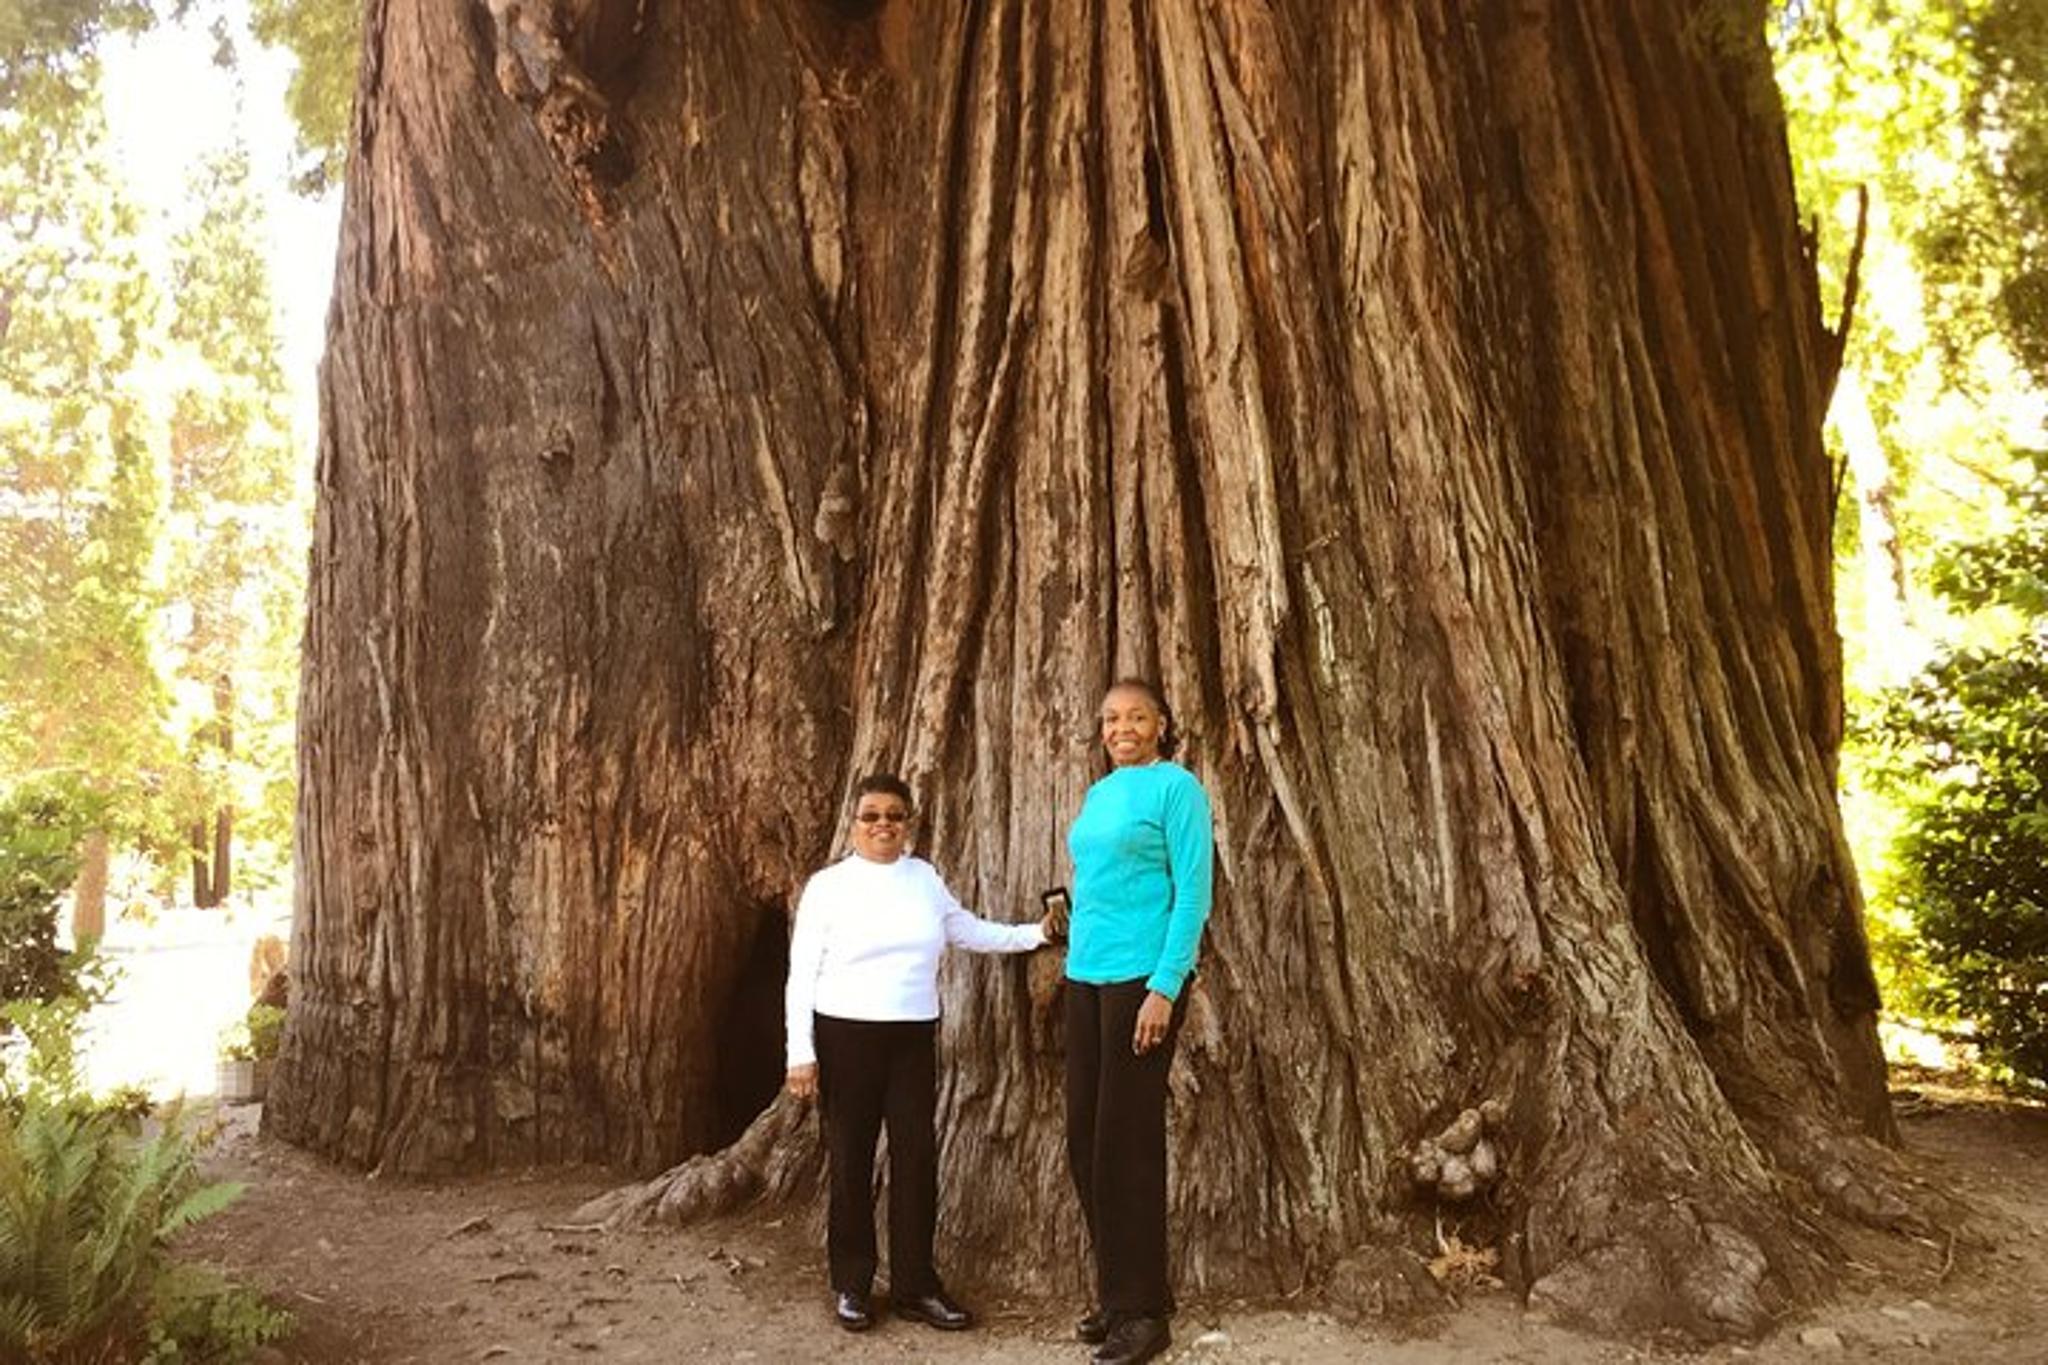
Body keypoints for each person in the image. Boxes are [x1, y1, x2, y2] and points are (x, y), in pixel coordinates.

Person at [784, 773, 1054, 1334]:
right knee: (852, 1159)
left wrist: (1036, 935)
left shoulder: (924, 879)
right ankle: (852, 1285)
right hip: (845, 1034)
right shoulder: (828, 886)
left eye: (894, 816)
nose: (883, 825)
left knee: (916, 1161)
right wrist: (799, 1054)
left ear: (909, 823)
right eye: (871, 815)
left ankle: (915, 1285)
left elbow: (968, 930)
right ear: (854, 823)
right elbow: (800, 975)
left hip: (912, 1036)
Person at [1063, 678, 1215, 1365]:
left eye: (1136, 716)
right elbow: (1098, 882)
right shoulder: (1099, 794)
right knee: (1084, 1138)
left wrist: (1165, 985)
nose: (1122, 727)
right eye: (1111, 718)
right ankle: (1121, 1286)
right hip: (1086, 976)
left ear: (1161, 723)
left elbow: (1194, 893)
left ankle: (1142, 1312)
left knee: (1126, 1144)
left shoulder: (1175, 787)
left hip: (1140, 981)